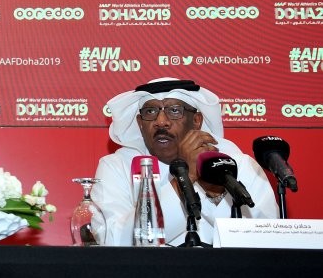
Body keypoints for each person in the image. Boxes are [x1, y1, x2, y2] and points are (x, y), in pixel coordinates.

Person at [91, 78, 278, 246]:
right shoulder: (117, 167)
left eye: (174, 110)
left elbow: (267, 237)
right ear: (140, 123)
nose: (161, 122)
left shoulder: (239, 165)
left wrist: (215, 195)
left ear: (196, 120)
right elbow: (114, 240)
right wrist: (186, 176)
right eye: (150, 111)